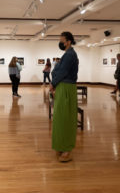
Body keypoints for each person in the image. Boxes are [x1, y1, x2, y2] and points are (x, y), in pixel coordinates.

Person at [49, 32, 79, 163]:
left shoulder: (70, 55)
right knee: (60, 119)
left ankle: (67, 149)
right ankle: (61, 146)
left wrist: (53, 83)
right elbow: (58, 71)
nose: (60, 42)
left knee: (66, 119)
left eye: (62, 40)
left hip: (66, 88)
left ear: (68, 41)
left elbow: (62, 72)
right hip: (62, 88)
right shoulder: (67, 54)